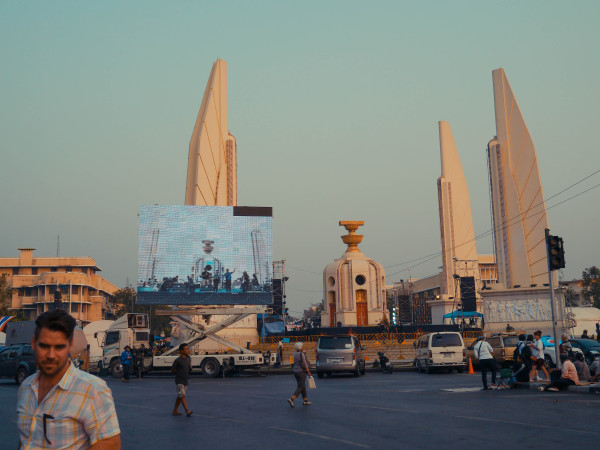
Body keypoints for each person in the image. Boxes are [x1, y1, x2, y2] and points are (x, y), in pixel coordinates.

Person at [17, 309, 121, 449]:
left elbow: (110, 444)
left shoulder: (93, 390)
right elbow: (26, 440)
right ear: (34, 343)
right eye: (44, 346)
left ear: (70, 345)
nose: (51, 355)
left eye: (59, 347)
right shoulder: (26, 387)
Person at [171, 343, 193, 416]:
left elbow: (189, 367)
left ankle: (175, 410)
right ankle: (187, 411)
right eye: (186, 349)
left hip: (185, 380)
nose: (188, 350)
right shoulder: (178, 360)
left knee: (180, 396)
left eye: (188, 348)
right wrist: (178, 374)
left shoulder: (188, 358)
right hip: (179, 380)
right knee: (182, 395)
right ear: (182, 351)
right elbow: (173, 370)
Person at [287, 342, 311, 407]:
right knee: (300, 386)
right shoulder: (301, 354)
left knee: (302, 386)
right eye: (302, 346)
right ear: (300, 347)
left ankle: (305, 400)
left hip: (296, 372)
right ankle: (292, 399)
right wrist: (308, 372)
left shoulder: (295, 354)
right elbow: (304, 363)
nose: (303, 347)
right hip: (301, 372)